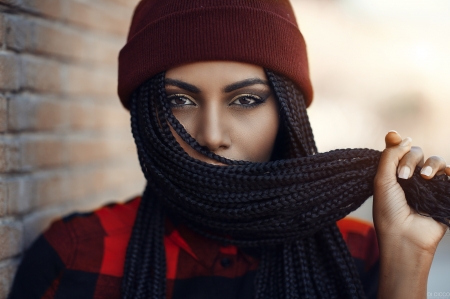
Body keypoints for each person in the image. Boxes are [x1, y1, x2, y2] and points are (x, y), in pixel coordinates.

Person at [8, 1, 450, 299]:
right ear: (144, 113)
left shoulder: (362, 254)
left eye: (246, 100)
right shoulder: (73, 257)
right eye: (178, 100)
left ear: (288, 114)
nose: (211, 134)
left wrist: (407, 263)